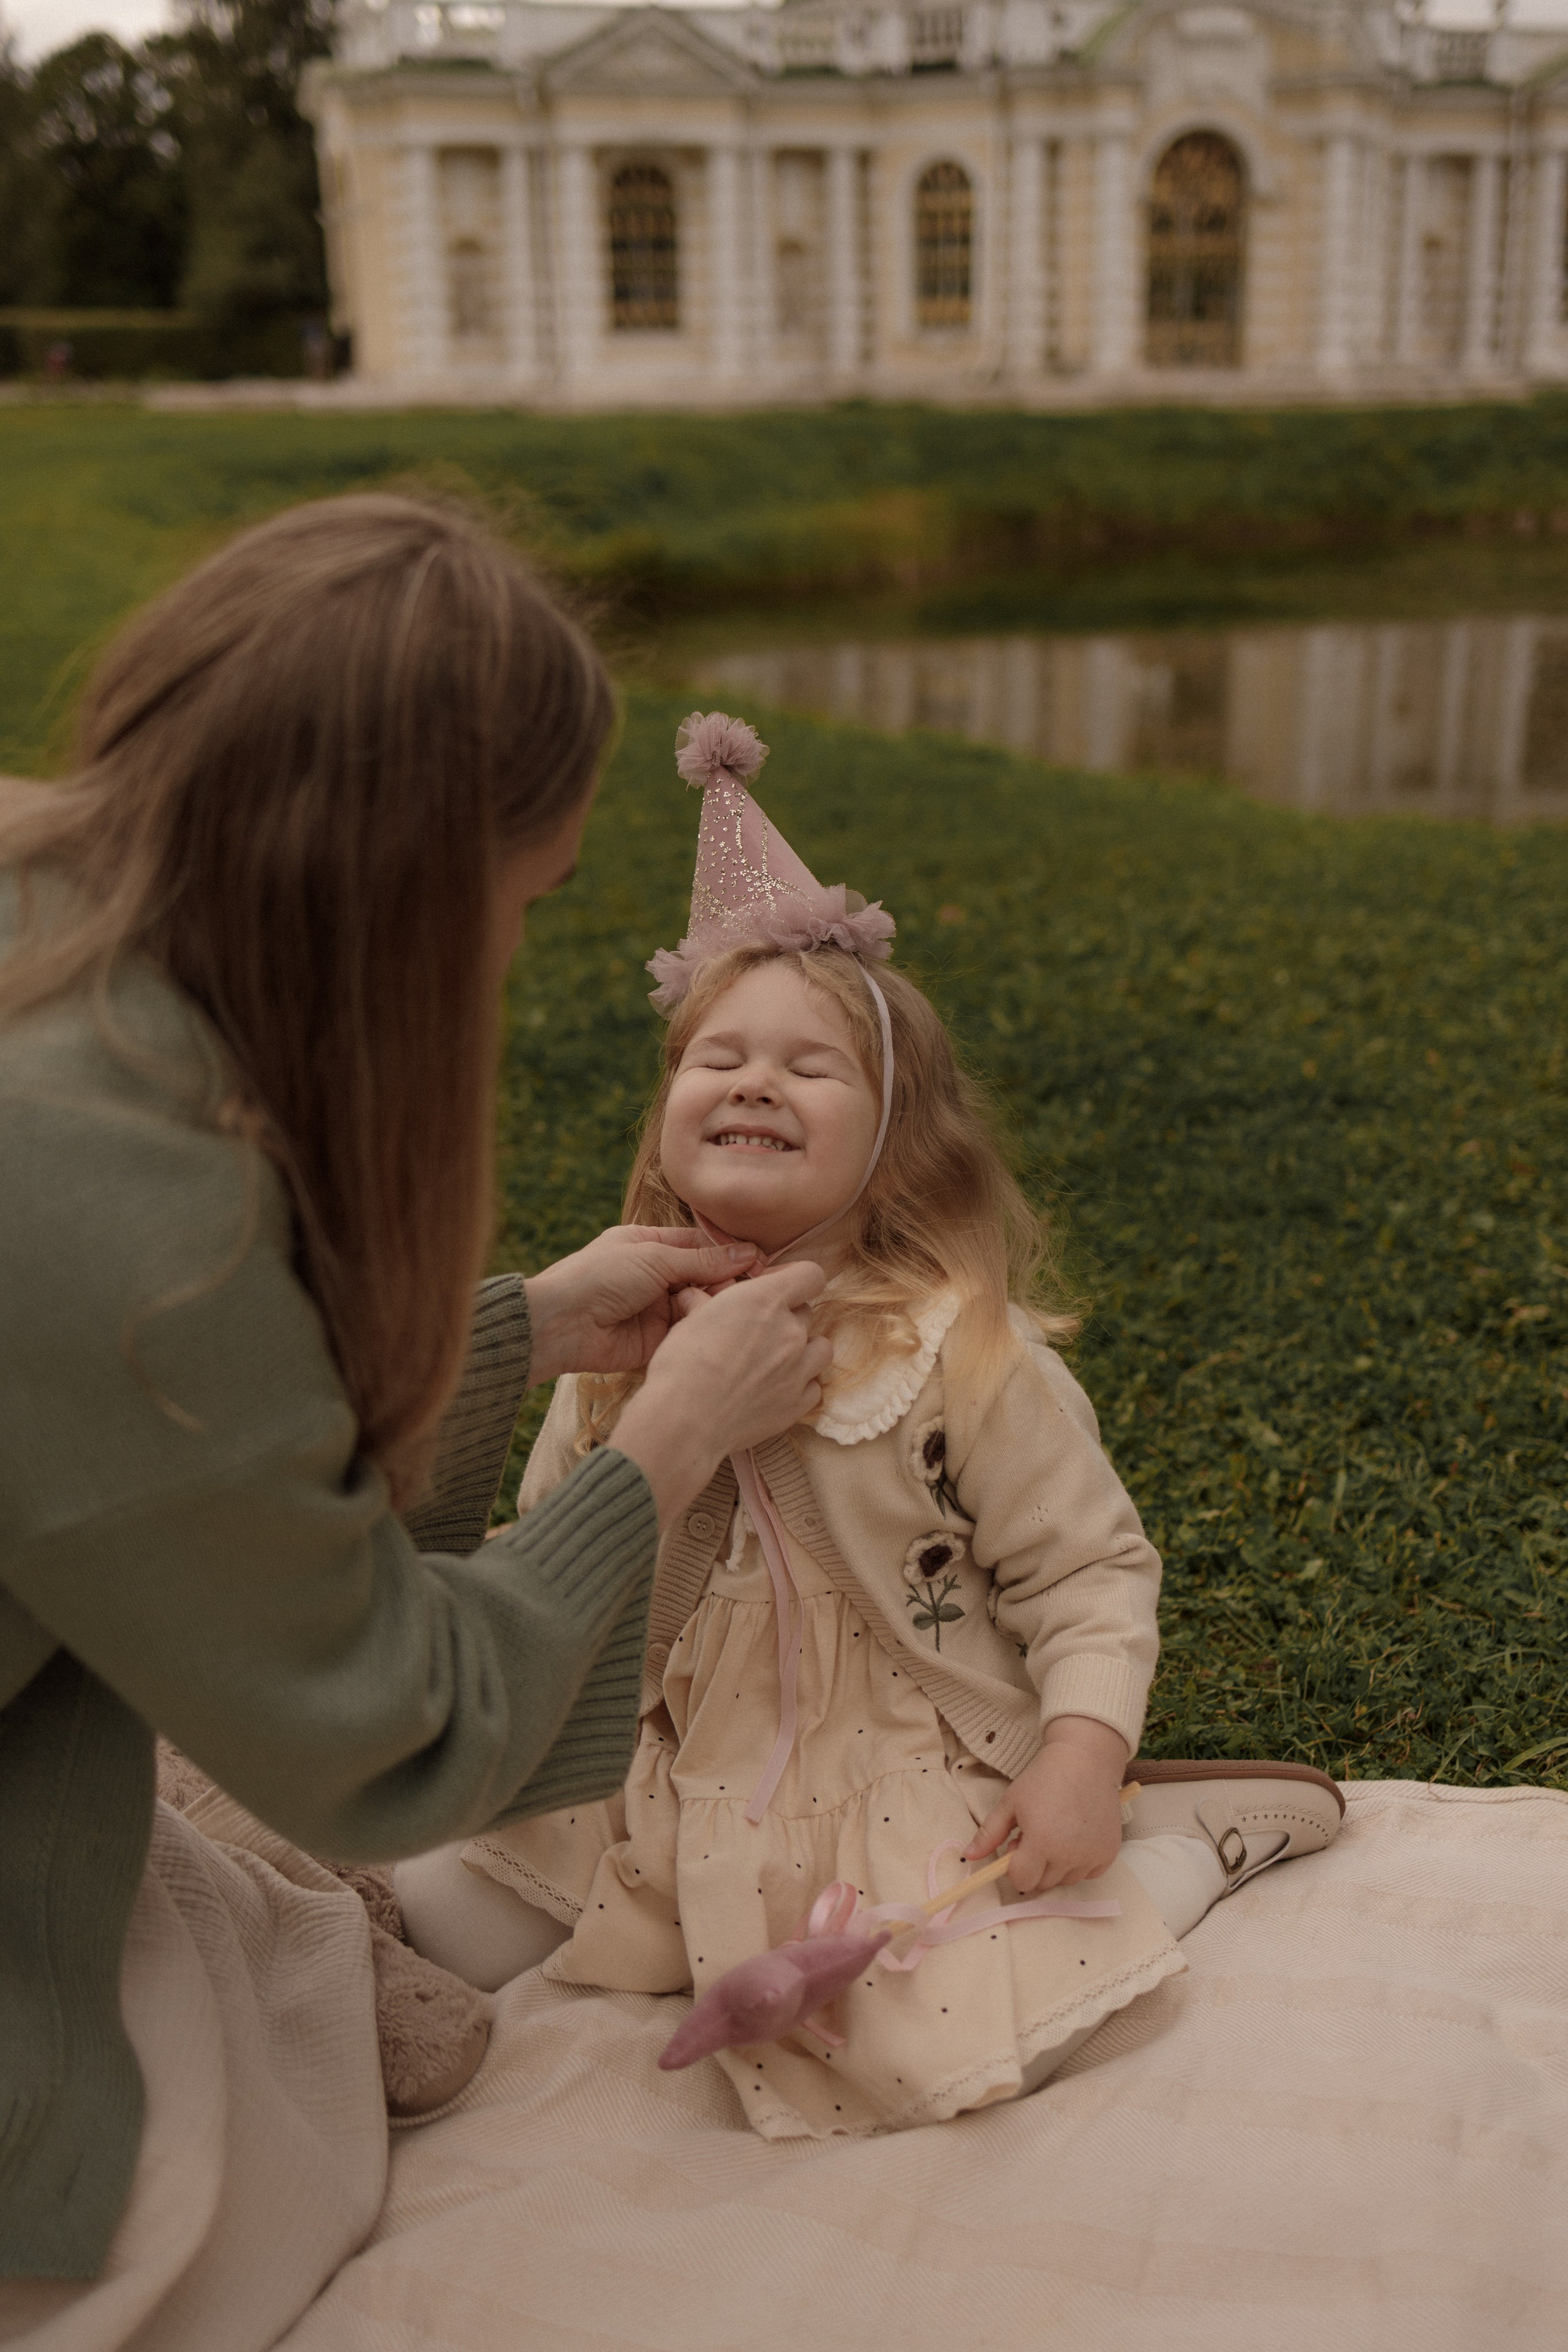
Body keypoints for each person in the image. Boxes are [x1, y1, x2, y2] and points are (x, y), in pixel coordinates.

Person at [0, 511, 831, 2342]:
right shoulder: (128, 1229)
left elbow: (125, 1470)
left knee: (263, 1951)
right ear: (399, 896)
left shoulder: (38, 881)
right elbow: (383, 1735)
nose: (514, 962)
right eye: (523, 908)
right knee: (254, 2132)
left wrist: (523, 1332)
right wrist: (660, 1452)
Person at [396, 711, 1346, 2139]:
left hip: (887, 1770)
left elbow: (1086, 1574)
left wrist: (1078, 1752)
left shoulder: (958, 1355)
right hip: (659, 1757)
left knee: (924, 2038)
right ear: (663, 1112)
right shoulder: (606, 1340)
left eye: (808, 1066)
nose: (753, 1081)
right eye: (714, 1057)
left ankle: (1181, 1846)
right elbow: (557, 1573)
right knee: (445, 1916)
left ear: (897, 1141)